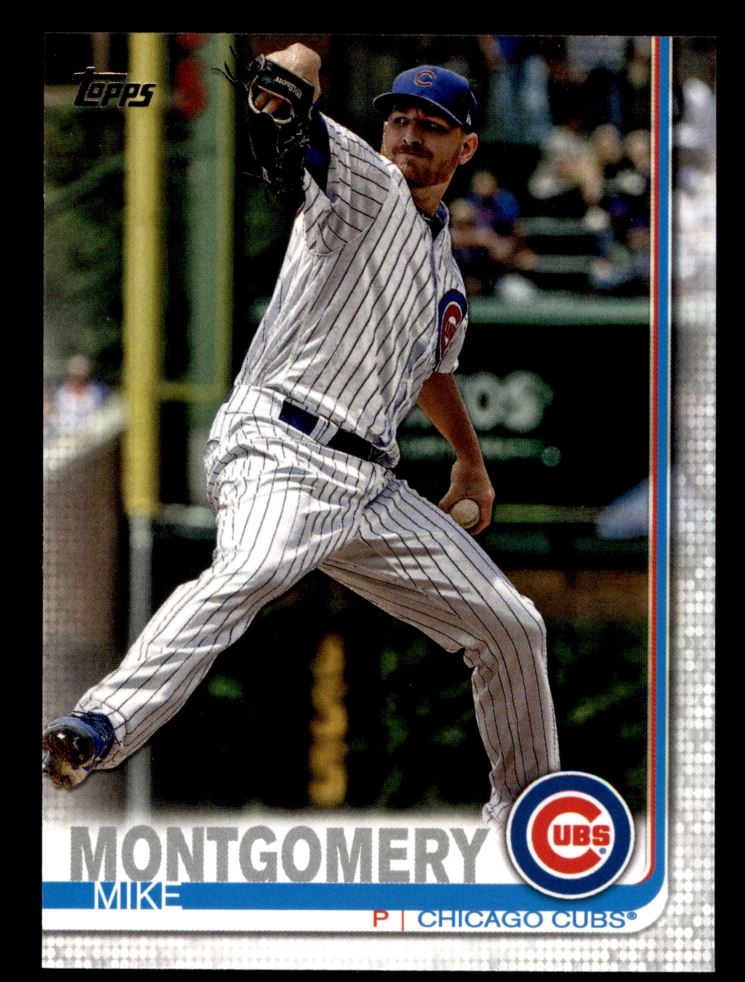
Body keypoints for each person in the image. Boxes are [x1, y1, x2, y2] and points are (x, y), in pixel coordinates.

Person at [42, 44, 560, 832]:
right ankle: (98, 726)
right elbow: (293, 89)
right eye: (398, 119)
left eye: (430, 126)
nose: (408, 134)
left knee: (512, 628)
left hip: (370, 488)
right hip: (280, 446)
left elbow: (431, 371)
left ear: (466, 148)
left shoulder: (444, 271)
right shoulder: (366, 182)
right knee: (251, 568)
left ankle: (529, 820)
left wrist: (469, 461)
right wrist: (296, 66)